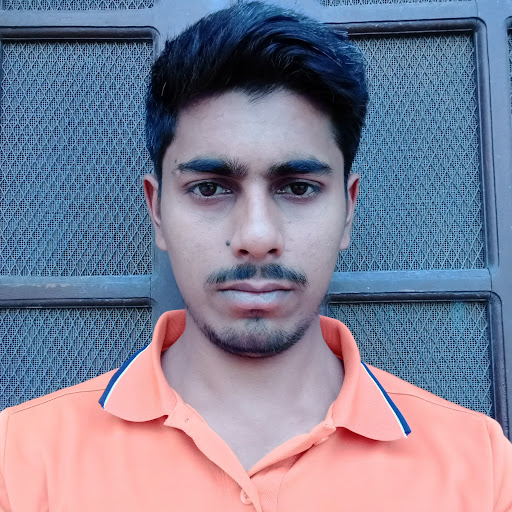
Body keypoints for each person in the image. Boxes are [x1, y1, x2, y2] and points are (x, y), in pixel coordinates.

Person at [1, 2, 511, 510]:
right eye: (209, 188)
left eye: (298, 187)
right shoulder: (23, 462)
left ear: (348, 210)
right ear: (156, 211)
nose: (257, 235)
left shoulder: (479, 468)